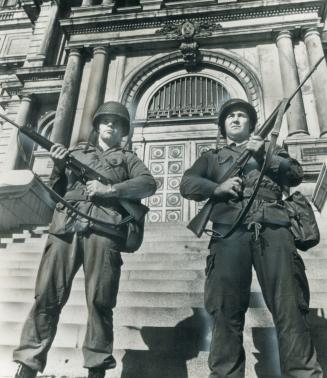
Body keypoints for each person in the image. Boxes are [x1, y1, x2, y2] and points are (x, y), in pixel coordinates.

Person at [180, 98, 322, 378]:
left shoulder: (272, 149)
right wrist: (217, 187)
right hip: (229, 232)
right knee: (225, 309)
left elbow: (296, 174)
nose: (235, 119)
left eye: (241, 116)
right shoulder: (212, 157)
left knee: (289, 306)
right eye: (230, 116)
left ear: (251, 124)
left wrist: (267, 155)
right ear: (223, 126)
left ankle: (303, 373)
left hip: (274, 228)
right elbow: (187, 184)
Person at [13, 101, 157, 378]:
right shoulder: (74, 153)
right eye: (105, 121)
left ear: (123, 131)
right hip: (66, 227)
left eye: (116, 123)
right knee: (46, 296)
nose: (110, 125)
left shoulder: (128, 159)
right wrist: (57, 166)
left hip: (104, 230)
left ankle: (97, 366)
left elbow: (148, 184)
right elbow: (55, 191)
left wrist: (111, 189)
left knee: (100, 301)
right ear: (97, 126)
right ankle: (28, 364)